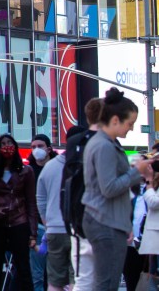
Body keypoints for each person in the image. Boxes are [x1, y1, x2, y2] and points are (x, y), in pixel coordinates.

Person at [82, 88, 150, 291]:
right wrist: (135, 172)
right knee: (107, 282)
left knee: (107, 280)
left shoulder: (104, 144)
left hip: (108, 220)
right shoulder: (103, 146)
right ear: (114, 120)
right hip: (105, 221)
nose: (130, 128)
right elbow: (109, 188)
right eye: (129, 123)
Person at [0, 133, 37, 291]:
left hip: (19, 222)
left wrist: (32, 233)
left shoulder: (26, 172)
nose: (7, 146)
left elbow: (31, 201)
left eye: (10, 143)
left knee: (23, 268)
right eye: (3, 143)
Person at [36, 127, 82, 291]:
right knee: (77, 279)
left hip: (54, 229)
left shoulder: (49, 167)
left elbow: (40, 198)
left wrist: (46, 221)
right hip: (78, 230)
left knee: (55, 281)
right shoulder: (84, 165)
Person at [69, 97, 103, 291]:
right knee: (103, 278)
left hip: (78, 219)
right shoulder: (107, 143)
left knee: (83, 278)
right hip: (102, 219)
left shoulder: (75, 142)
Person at [29, 134, 56, 291]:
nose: (36, 150)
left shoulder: (56, 168)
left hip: (55, 225)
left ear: (49, 149)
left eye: (40, 146)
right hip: (37, 226)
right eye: (33, 147)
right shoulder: (28, 171)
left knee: (55, 272)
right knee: (37, 273)